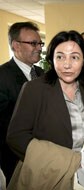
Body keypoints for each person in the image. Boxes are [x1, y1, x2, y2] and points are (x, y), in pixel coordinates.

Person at [6, 30, 84, 190]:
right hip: (47, 175)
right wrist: (64, 161)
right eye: (60, 56)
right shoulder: (34, 89)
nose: (67, 64)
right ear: (51, 59)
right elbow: (16, 137)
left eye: (74, 57)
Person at [0, 21, 44, 184]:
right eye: (33, 43)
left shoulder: (41, 73)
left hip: (43, 154)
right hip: (16, 157)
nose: (39, 48)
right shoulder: (2, 77)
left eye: (40, 43)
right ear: (15, 45)